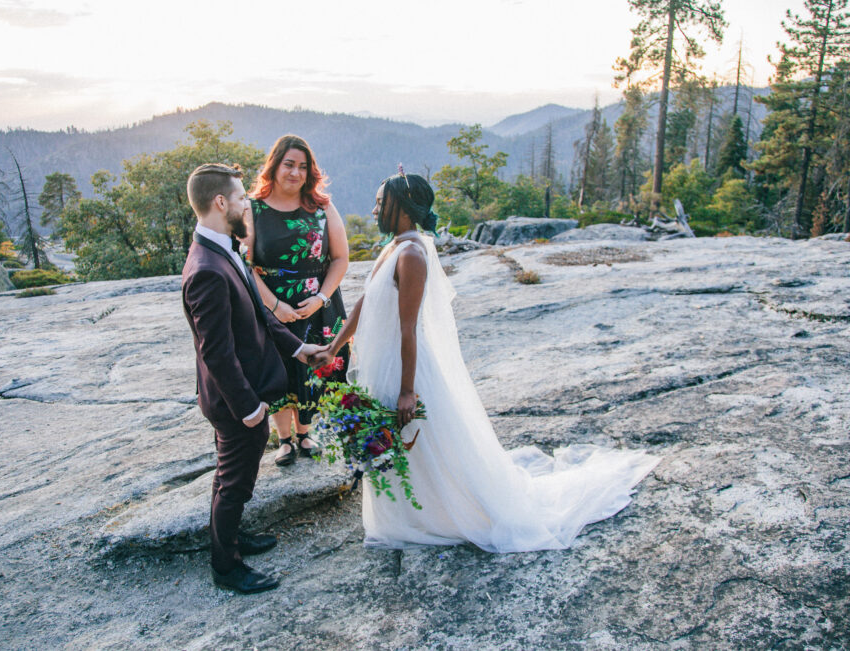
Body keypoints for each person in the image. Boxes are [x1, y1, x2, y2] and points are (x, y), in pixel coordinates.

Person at [313, 171, 660, 552]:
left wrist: (408, 390)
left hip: (406, 366)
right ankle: (411, 513)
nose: (375, 208)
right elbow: (366, 302)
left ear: (404, 207)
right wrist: (334, 347)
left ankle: (441, 514)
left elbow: (410, 329)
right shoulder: (394, 246)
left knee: (420, 442)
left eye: (382, 202)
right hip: (386, 363)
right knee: (401, 445)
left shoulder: (412, 254)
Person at [181, 163, 324, 593]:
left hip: (240, 394)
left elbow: (258, 315)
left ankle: (235, 538)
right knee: (234, 482)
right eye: (243, 198)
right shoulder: (206, 267)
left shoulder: (223, 247)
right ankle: (226, 566)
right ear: (221, 202)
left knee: (234, 478)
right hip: (233, 401)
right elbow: (217, 352)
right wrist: (247, 407)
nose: (249, 204)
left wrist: (299, 349)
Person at [244, 135, 349, 466]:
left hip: (317, 303)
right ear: (274, 166)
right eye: (289, 164)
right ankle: (285, 440)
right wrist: (274, 307)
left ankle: (306, 433)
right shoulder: (252, 208)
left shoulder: (322, 207)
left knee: (315, 366)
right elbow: (245, 264)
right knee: (278, 366)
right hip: (270, 303)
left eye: (303, 167)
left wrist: (321, 298)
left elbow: (341, 258)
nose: (295, 172)